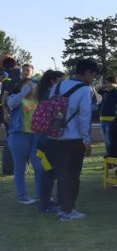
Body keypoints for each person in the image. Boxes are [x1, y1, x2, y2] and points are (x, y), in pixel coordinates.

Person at [48, 58, 98, 221]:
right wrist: (87, 140)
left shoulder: (57, 86)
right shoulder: (85, 90)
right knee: (72, 176)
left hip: (54, 137)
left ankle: (62, 205)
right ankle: (68, 211)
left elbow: (49, 109)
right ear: (88, 72)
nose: (93, 79)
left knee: (61, 174)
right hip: (73, 139)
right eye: (93, 75)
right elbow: (85, 117)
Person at [6, 78, 43, 205]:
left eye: (33, 85)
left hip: (36, 136)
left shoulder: (38, 100)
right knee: (20, 167)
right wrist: (23, 92)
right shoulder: (16, 97)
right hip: (19, 135)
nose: (32, 87)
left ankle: (41, 195)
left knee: (39, 167)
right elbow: (11, 104)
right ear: (22, 86)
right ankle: (22, 196)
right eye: (29, 85)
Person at [34, 70, 65, 214]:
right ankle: (46, 205)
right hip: (50, 139)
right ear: (53, 81)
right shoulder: (52, 96)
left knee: (49, 172)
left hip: (42, 138)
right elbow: (57, 117)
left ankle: (45, 202)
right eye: (61, 80)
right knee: (52, 173)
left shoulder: (43, 94)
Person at [98, 75, 117, 157]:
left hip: (111, 120)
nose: (106, 85)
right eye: (105, 83)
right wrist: (105, 86)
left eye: (108, 83)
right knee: (106, 142)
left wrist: (111, 85)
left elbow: (116, 86)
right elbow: (97, 89)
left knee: (110, 142)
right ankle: (109, 160)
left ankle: (113, 159)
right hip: (103, 120)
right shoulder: (107, 92)